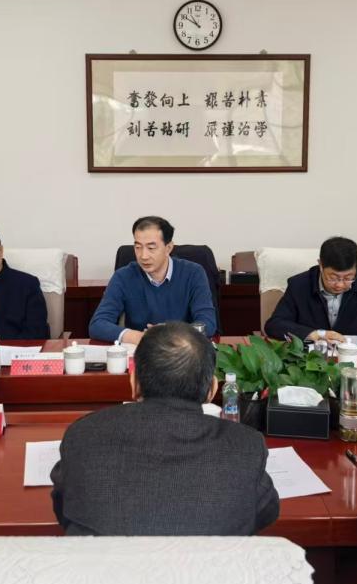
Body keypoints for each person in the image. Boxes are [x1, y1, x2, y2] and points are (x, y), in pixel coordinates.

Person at [50, 322, 278, 535]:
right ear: (212, 390)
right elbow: (265, 513)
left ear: (134, 383)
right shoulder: (245, 447)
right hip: (208, 567)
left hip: (106, 566)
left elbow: (64, 508)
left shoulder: (84, 436)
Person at [88, 216, 216, 344]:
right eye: (138, 247)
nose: (143, 256)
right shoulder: (123, 276)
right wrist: (138, 337)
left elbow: (207, 323)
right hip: (140, 350)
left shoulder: (193, 273)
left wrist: (171, 333)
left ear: (168, 248)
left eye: (151, 248)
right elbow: (98, 324)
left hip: (183, 349)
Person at [264, 236, 357, 348]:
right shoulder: (299, 285)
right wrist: (314, 334)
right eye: (333, 277)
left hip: (356, 357)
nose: (340, 284)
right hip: (312, 360)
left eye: (348, 278)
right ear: (320, 265)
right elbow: (274, 324)